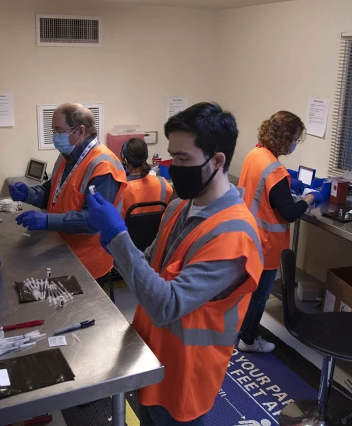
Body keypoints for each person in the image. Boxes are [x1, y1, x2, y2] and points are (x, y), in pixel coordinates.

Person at [85, 102, 264, 425]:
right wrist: (115, 244)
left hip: (186, 374)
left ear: (217, 161)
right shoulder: (180, 206)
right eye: (171, 155)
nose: (173, 166)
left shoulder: (234, 236)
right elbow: (148, 265)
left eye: (183, 159)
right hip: (150, 356)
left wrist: (117, 236)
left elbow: (168, 305)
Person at [8, 103, 127, 280]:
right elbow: (53, 193)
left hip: (88, 260)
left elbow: (93, 221)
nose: (55, 137)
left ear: (80, 131)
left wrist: (47, 220)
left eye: (59, 131)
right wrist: (28, 194)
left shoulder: (103, 165)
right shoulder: (67, 156)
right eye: (53, 131)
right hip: (62, 247)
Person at [237, 111, 323, 353]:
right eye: (295, 138)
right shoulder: (274, 169)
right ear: (285, 138)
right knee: (259, 295)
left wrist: (287, 183)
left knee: (247, 290)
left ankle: (241, 331)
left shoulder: (255, 154)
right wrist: (308, 198)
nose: (295, 143)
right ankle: (249, 339)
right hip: (265, 243)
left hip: (248, 235)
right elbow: (289, 213)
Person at [120, 137, 173, 217]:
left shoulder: (121, 188)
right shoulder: (163, 184)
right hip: (157, 229)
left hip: (128, 229)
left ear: (125, 161)